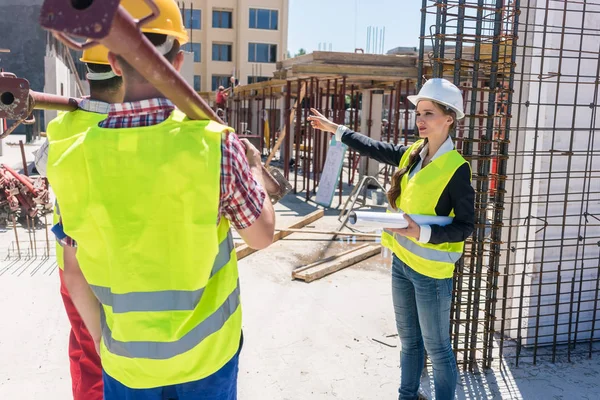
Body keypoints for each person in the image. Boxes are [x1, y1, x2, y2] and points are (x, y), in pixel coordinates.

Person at [46, 0, 275, 399]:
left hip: (128, 367)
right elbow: (261, 237)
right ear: (180, 59)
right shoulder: (215, 146)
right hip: (207, 361)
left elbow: (73, 270)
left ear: (114, 64)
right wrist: (255, 171)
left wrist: (105, 346)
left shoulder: (69, 158)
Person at [308, 78, 475, 400]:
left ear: (449, 118)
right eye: (418, 114)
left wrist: (421, 232)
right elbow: (376, 148)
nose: (420, 120)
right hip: (402, 262)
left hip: (431, 273)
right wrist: (336, 130)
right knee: (409, 341)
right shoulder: (413, 154)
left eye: (428, 113)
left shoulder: (457, 168)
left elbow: (466, 226)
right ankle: (406, 396)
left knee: (437, 348)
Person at [34, 44, 124, 400]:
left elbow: (42, 168)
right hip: (118, 266)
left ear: (88, 74)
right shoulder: (136, 127)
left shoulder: (61, 128)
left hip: (71, 265)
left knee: (89, 353)